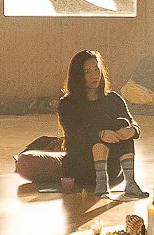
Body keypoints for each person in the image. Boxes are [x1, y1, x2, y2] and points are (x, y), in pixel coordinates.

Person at [56, 49, 142, 197]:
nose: (94, 75)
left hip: (112, 171)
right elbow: (75, 134)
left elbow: (131, 121)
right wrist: (100, 134)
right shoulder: (67, 104)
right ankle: (101, 181)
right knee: (101, 128)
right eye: (87, 72)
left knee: (122, 123)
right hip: (83, 168)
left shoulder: (113, 98)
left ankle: (130, 182)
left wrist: (133, 130)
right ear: (78, 76)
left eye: (96, 69)